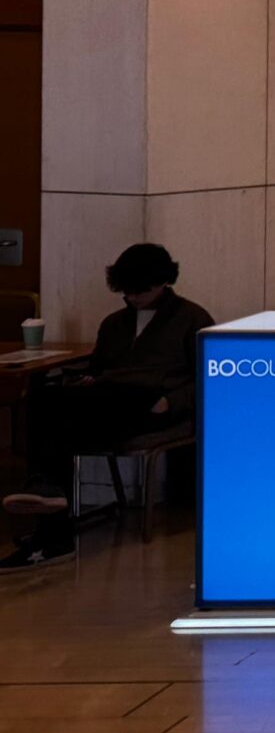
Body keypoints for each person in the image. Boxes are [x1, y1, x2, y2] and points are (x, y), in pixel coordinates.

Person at [0, 244, 212, 570]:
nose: (133, 297)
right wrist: (88, 380)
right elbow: (99, 370)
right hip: (111, 400)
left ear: (162, 282)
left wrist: (171, 402)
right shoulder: (114, 323)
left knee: (64, 418)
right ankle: (49, 508)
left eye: (140, 290)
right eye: (127, 291)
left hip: (154, 404)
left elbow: (208, 378)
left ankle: (50, 521)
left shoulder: (191, 318)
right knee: (44, 398)